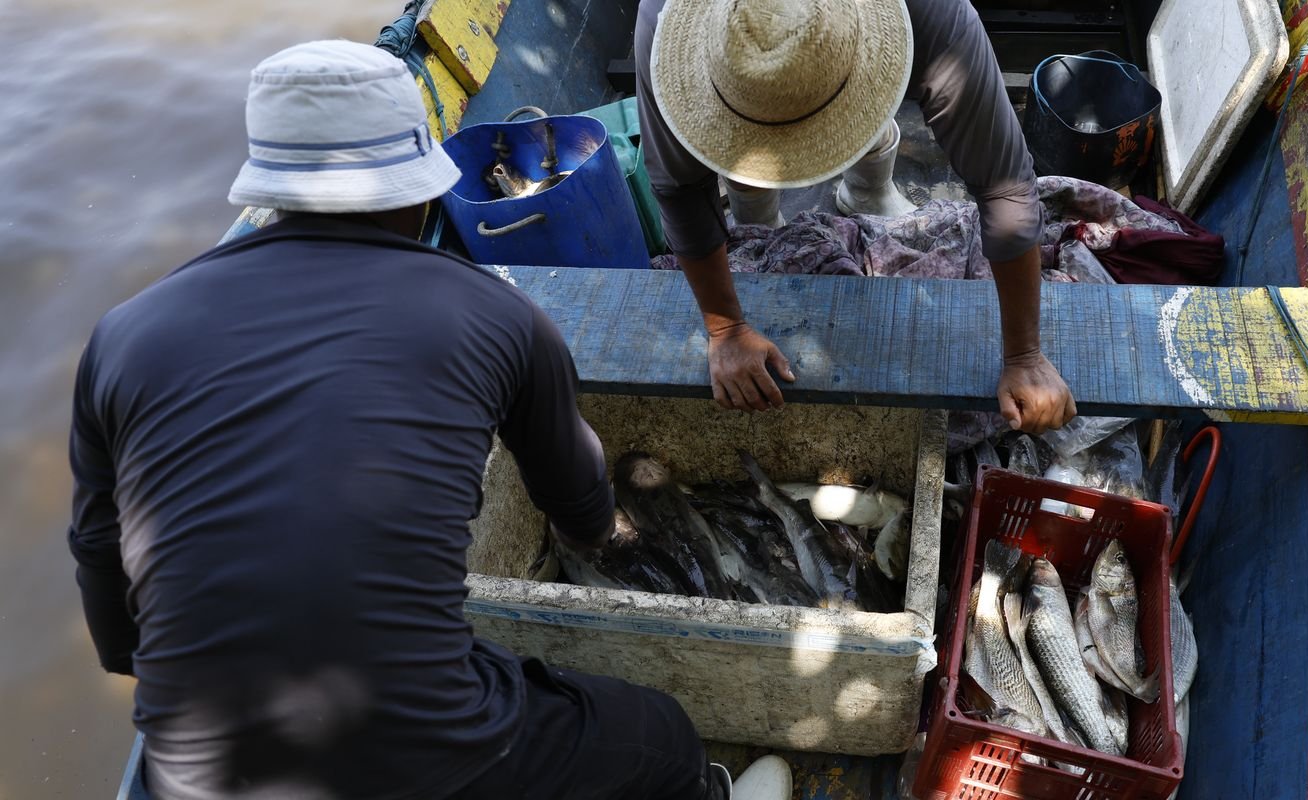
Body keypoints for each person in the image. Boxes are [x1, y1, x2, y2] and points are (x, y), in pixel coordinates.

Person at [68, 40, 786, 800]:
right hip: (426, 758)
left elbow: (118, 633)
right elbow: (582, 514)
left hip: (190, 776)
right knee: (662, 736)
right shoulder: (498, 314)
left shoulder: (121, 334)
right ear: (418, 193)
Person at [637, 0, 1077, 432]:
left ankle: (867, 187)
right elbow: (679, 190)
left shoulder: (935, 15)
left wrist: (1024, 356)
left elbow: (1004, 186)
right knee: (748, 160)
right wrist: (726, 328)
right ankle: (756, 209)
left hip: (871, 58)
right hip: (739, 101)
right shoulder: (663, 29)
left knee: (847, 109)